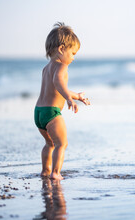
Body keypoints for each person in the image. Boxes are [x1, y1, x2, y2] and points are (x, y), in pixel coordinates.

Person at [34, 22, 90, 180]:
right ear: (61, 49)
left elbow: (55, 88)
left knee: (49, 144)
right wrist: (68, 98)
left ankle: (45, 171)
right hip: (51, 113)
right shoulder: (61, 67)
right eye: (72, 53)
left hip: (38, 112)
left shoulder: (46, 68)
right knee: (62, 144)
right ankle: (56, 173)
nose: (73, 57)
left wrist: (76, 96)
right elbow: (59, 83)